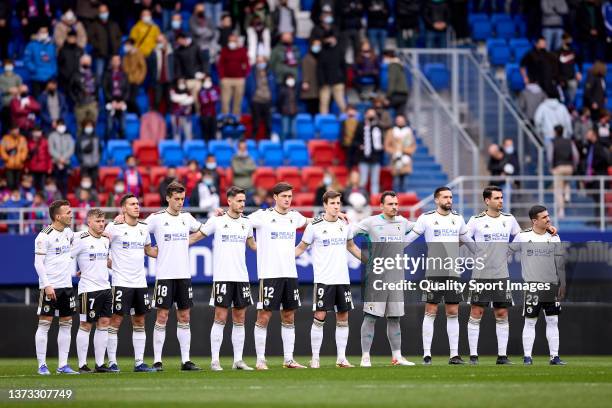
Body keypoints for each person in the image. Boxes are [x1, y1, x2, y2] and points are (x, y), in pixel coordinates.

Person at [404, 187, 475, 365]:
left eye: (450, 197)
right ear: (436, 200)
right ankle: (427, 354)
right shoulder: (426, 218)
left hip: (453, 271)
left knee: (453, 311)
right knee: (431, 310)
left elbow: (470, 243)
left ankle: (454, 355)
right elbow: (409, 238)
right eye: (445, 197)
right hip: (434, 270)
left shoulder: (458, 219)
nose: (449, 200)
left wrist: (485, 254)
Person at [191, 187, 257, 370]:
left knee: (240, 318)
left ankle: (238, 360)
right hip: (222, 277)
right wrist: (172, 244)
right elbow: (196, 237)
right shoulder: (217, 221)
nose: (242, 204)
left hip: (242, 277)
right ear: (229, 201)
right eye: (239, 201)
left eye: (244, 201)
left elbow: (253, 246)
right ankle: (215, 360)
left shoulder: (247, 223)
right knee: (220, 316)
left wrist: (275, 248)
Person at [248, 183, 313, 369]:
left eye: (290, 196)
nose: (287, 199)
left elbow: (310, 221)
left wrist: (331, 216)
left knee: (289, 316)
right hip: (269, 274)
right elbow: (240, 221)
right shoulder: (263, 216)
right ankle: (260, 360)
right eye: (284, 196)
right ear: (275, 197)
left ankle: (288, 359)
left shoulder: (294, 216)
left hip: (290, 274)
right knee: (263, 316)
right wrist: (251, 242)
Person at [295, 190, 362, 368]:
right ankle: (315, 358)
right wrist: (284, 258)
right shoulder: (315, 225)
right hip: (324, 279)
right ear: (325, 205)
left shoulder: (344, 224)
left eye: (338, 203)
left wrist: (369, 260)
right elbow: (301, 247)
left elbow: (351, 246)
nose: (336, 206)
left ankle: (341, 358)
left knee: (343, 317)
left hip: (342, 279)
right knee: (320, 316)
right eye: (332, 203)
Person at [352, 191, 416, 367]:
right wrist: (366, 260)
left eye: (396, 204)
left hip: (396, 277)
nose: (394, 207)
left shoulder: (403, 222)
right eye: (390, 204)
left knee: (395, 318)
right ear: (381, 206)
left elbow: (420, 228)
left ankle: (397, 357)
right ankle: (365, 356)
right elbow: (348, 236)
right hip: (377, 278)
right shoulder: (370, 222)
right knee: (370, 317)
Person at [146, 182, 204, 371]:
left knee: (184, 316)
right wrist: (150, 251)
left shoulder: (187, 218)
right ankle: (157, 360)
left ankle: (185, 360)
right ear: (168, 198)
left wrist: (218, 217)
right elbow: (137, 232)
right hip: (164, 275)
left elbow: (203, 230)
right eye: (177, 199)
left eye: (182, 199)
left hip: (183, 275)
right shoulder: (156, 218)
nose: (180, 202)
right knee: (162, 316)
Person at [465, 186, 522, 365]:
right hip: (480, 274)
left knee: (502, 312)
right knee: (476, 312)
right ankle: (473, 356)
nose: (501, 201)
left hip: (501, 273)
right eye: (497, 198)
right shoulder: (476, 220)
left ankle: (502, 356)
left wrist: (508, 251)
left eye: (501, 198)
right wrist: (477, 252)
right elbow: (464, 237)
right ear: (487, 201)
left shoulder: (509, 219)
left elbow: (520, 237)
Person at [105, 194, 159, 372]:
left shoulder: (144, 228)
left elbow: (149, 250)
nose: (137, 206)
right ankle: (112, 362)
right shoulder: (114, 227)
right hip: (121, 282)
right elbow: (99, 246)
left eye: (138, 203)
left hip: (140, 283)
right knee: (116, 320)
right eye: (132, 204)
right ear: (123, 208)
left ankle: (139, 363)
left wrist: (174, 248)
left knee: (140, 321)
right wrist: (105, 264)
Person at [510, 205, 566, 365]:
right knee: (530, 321)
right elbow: (507, 252)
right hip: (532, 286)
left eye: (548, 216)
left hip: (551, 285)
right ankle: (527, 357)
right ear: (534, 221)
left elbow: (560, 263)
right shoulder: (523, 236)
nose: (548, 219)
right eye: (544, 217)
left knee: (553, 320)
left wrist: (562, 283)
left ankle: (554, 357)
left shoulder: (554, 237)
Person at [34, 200, 78, 375]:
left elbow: (84, 236)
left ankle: (63, 365)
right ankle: (42, 365)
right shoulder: (44, 236)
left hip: (67, 286)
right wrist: (47, 285)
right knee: (45, 324)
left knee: (66, 324)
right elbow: (38, 263)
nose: (71, 214)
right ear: (58, 216)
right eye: (68, 212)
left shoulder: (68, 232)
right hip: (50, 287)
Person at [71, 209, 113, 373]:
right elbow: (67, 256)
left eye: (103, 221)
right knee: (85, 325)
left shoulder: (105, 240)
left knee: (104, 324)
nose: (101, 224)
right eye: (98, 221)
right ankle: (82, 365)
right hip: (88, 290)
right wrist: (74, 271)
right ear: (89, 222)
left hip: (105, 288)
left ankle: (100, 364)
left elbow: (104, 260)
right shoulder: (80, 239)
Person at [549, 125, 580, 218]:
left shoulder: (552, 142)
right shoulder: (569, 142)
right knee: (566, 182)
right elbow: (576, 155)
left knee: (558, 189)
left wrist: (551, 167)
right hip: (569, 167)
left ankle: (561, 210)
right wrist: (574, 165)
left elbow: (550, 156)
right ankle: (567, 196)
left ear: (555, 132)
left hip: (558, 167)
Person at [218, 34, 250, 115]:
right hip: (226, 79)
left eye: (233, 41)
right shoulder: (224, 50)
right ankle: (225, 119)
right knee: (225, 101)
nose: (232, 43)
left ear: (237, 42)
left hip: (239, 79)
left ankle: (236, 120)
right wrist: (222, 77)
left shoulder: (242, 50)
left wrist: (244, 75)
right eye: (230, 41)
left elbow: (246, 64)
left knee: (238, 102)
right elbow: (220, 64)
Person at [89, 3, 123, 81]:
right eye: (101, 12)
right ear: (98, 13)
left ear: (108, 11)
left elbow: (119, 36)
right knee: (99, 75)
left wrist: (117, 46)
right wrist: (98, 46)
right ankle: (98, 93)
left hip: (113, 54)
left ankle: (109, 92)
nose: (103, 14)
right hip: (100, 55)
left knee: (112, 77)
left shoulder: (114, 24)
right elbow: (90, 38)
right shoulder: (94, 25)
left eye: (105, 11)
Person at [356, 108, 384, 194]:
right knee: (363, 180)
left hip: (376, 158)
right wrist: (359, 146)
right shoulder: (361, 126)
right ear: (365, 115)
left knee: (375, 181)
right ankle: (362, 199)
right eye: (370, 113)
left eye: (373, 114)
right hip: (363, 158)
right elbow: (356, 140)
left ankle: (374, 200)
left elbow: (382, 141)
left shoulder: (378, 126)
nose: (371, 115)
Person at [384, 114, 415, 192]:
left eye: (401, 120)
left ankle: (403, 198)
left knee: (405, 181)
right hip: (395, 159)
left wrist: (406, 151)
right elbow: (387, 145)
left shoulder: (408, 132)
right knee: (396, 181)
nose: (400, 122)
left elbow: (413, 145)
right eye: (398, 120)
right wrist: (395, 152)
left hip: (405, 158)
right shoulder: (391, 132)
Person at [23, 25, 56, 97]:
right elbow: (26, 60)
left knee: (49, 100)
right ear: (38, 32)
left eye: (45, 31)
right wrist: (34, 69)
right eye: (42, 31)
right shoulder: (31, 45)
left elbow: (54, 60)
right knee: (38, 101)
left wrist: (53, 72)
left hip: (49, 77)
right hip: (36, 77)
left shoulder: (52, 45)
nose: (44, 33)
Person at [70, 55, 99, 134]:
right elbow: (71, 90)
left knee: (92, 126)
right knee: (80, 127)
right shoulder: (75, 74)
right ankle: (80, 145)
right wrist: (76, 100)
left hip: (92, 103)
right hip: (80, 104)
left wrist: (96, 101)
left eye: (88, 62)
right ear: (81, 62)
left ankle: (92, 144)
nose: (86, 63)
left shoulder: (94, 75)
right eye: (85, 61)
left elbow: (97, 88)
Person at [318, 35, 347, 114]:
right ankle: (323, 122)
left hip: (338, 81)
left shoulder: (340, 50)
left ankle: (345, 121)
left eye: (331, 38)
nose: (329, 40)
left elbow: (343, 66)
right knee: (324, 103)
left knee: (341, 103)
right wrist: (322, 81)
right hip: (325, 83)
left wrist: (343, 80)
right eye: (328, 38)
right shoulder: (322, 51)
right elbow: (320, 68)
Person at [103, 56, 129, 139]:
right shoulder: (107, 74)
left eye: (117, 60)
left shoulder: (124, 74)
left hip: (122, 102)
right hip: (111, 102)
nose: (116, 62)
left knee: (123, 128)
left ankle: (123, 144)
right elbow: (105, 89)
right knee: (109, 127)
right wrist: (112, 101)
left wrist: (122, 102)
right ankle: (107, 145)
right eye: (114, 60)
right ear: (111, 62)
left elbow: (127, 90)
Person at [149, 35, 174, 113]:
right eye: (158, 42)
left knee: (169, 101)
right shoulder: (154, 52)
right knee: (157, 101)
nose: (160, 43)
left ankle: (169, 121)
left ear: (166, 41)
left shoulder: (171, 51)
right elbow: (151, 66)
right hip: (158, 81)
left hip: (169, 80)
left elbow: (175, 65)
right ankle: (156, 121)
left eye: (161, 41)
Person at [48, 120, 74, 196]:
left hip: (66, 162)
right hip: (55, 162)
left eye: (62, 125)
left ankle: (64, 200)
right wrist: (59, 158)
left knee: (65, 182)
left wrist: (64, 158)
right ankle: (57, 200)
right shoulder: (52, 136)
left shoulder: (68, 136)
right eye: (59, 125)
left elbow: (71, 149)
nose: (61, 127)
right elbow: (51, 149)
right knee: (57, 182)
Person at [123, 39, 147, 115]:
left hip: (135, 80)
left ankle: (139, 115)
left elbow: (143, 67)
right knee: (127, 99)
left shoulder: (138, 54)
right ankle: (131, 115)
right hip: (127, 80)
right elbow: (124, 68)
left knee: (132, 99)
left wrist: (139, 78)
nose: (126, 46)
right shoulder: (126, 56)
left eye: (127, 44)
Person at [189, 4, 215, 74]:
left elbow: (212, 32)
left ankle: (207, 78)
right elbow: (196, 31)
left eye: (202, 9)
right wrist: (206, 31)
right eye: (199, 9)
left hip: (207, 46)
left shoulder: (208, 19)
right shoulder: (192, 19)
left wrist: (203, 32)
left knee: (207, 66)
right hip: (197, 46)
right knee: (197, 66)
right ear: (195, 10)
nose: (201, 11)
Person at [556, 33, 581, 105]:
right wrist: (559, 79)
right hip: (561, 79)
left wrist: (579, 72)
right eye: (568, 39)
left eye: (570, 39)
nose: (569, 41)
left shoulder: (574, 51)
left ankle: (570, 107)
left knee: (573, 87)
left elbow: (580, 62)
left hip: (571, 78)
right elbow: (556, 67)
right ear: (563, 40)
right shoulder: (558, 52)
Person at [1, 124, 29, 190]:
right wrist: (6, 158)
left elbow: (25, 149)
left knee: (17, 183)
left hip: (19, 164)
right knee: (10, 183)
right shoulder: (5, 138)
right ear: (11, 131)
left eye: (17, 129)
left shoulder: (22, 139)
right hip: (9, 165)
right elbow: (1, 149)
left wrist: (22, 158)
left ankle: (17, 196)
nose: (16, 131)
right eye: (14, 130)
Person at [251, 56, 273, 139]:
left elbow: (273, 87)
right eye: (258, 61)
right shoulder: (253, 72)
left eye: (262, 61)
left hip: (267, 100)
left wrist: (271, 97)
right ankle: (253, 142)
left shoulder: (270, 72)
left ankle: (268, 141)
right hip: (256, 100)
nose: (260, 63)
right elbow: (250, 87)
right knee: (256, 124)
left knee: (268, 124)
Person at [0, 60, 23, 130]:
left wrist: (19, 90)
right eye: (7, 65)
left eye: (10, 64)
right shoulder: (1, 78)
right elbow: (1, 89)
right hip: (5, 105)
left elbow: (21, 88)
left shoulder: (17, 77)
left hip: (16, 105)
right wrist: (8, 90)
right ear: (4, 66)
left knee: (16, 125)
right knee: (5, 126)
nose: (8, 67)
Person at [300, 39, 321, 116]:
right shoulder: (306, 58)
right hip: (310, 86)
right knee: (311, 107)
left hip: (319, 86)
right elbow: (305, 71)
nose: (317, 47)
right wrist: (305, 82)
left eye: (318, 45)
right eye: (315, 45)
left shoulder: (321, 57)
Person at [198, 75, 220, 140]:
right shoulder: (201, 91)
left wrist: (210, 98)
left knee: (213, 132)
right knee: (205, 133)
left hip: (213, 114)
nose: (207, 82)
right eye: (206, 80)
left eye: (209, 80)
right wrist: (209, 97)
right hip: (204, 115)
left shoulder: (215, 89)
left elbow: (215, 99)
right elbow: (203, 102)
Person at [278, 74, 298, 141]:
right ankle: (282, 145)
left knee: (293, 132)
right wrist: (282, 109)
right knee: (285, 131)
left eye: (292, 78)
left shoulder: (295, 89)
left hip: (294, 112)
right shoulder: (282, 89)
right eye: (289, 79)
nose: (291, 80)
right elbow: (279, 101)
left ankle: (293, 146)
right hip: (285, 112)